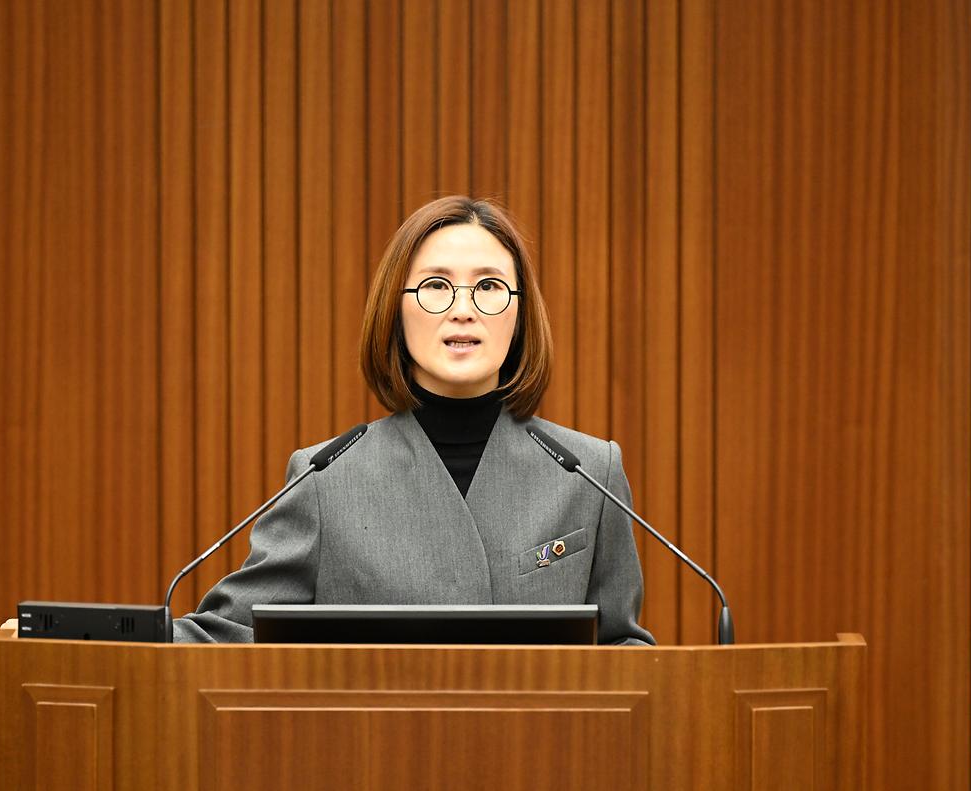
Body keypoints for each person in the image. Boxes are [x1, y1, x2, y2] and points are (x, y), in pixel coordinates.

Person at [173, 196, 656, 645]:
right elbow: (226, 636)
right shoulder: (326, 479)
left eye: (488, 287)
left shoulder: (589, 472)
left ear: (520, 312)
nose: (462, 310)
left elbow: (624, 650)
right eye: (435, 286)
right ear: (396, 309)